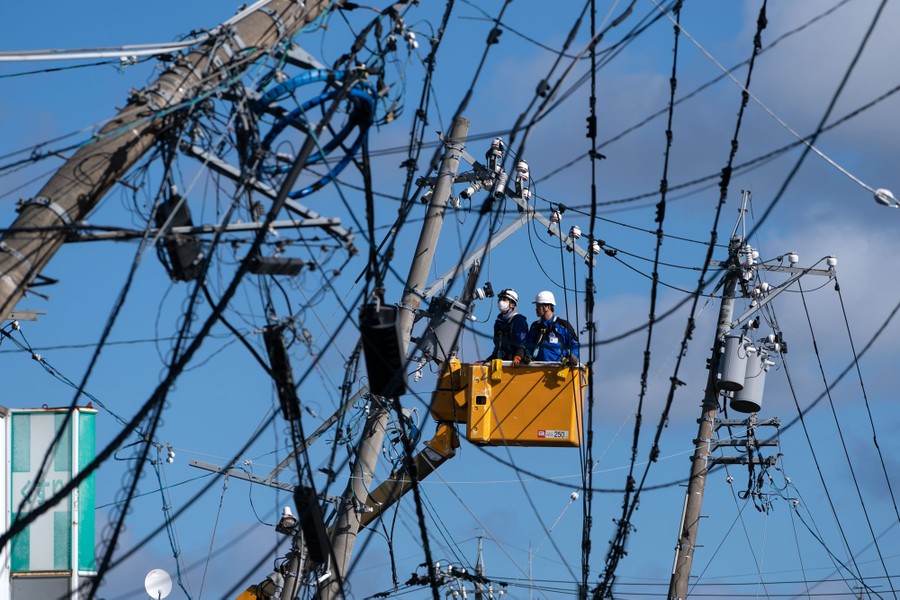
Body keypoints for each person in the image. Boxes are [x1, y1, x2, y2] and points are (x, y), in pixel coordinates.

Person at [526, 290, 579, 365]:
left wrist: (573, 355)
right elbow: (529, 346)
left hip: (558, 369)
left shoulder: (563, 325)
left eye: (538, 306)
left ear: (547, 307)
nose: (536, 309)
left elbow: (575, 344)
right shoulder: (535, 326)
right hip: (537, 369)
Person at [487, 288, 529, 366]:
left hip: (514, 362)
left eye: (504, 299)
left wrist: (519, 355)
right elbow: (498, 345)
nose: (501, 302)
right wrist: (489, 359)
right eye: (500, 299)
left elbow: (522, 341)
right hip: (502, 360)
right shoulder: (499, 322)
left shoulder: (518, 320)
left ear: (512, 304)